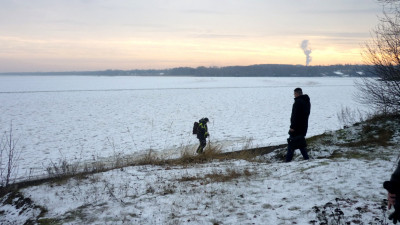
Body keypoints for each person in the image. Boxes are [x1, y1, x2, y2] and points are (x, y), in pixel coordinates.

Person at [285, 87, 311, 162]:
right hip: (303, 126)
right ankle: (306, 158)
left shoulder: (298, 102)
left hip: (296, 127)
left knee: (292, 143)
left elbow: (295, 116)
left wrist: (292, 127)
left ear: (297, 93)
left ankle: (288, 160)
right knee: (300, 143)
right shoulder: (306, 101)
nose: (294, 95)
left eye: (294, 94)